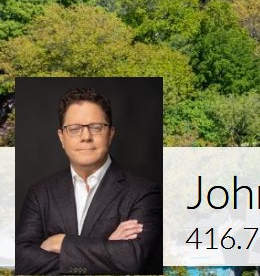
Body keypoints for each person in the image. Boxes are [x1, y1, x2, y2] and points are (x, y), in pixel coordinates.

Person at [15, 88, 162, 275]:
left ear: (110, 134)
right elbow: (22, 261)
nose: (86, 137)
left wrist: (60, 243)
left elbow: (132, 260)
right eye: (74, 129)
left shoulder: (143, 192)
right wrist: (106, 248)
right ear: (61, 137)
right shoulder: (40, 193)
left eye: (96, 127)